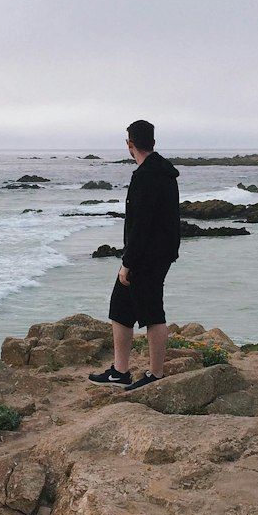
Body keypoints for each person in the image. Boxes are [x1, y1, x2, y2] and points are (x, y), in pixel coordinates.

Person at [88, 119, 180, 391]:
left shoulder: (146, 176)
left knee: (152, 313)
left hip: (148, 256)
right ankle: (120, 371)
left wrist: (128, 262)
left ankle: (155, 375)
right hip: (158, 251)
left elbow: (141, 223)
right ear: (152, 141)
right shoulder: (161, 171)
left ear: (130, 144)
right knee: (120, 308)